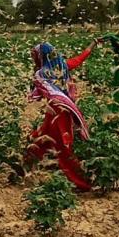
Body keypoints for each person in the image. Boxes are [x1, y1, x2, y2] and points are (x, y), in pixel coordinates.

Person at [24, 38, 102, 192]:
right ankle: (27, 164)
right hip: (60, 110)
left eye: (36, 56)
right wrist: (93, 43)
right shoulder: (63, 66)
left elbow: (37, 94)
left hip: (58, 112)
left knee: (63, 147)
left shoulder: (41, 74)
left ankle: (81, 181)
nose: (35, 59)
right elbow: (80, 59)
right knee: (41, 136)